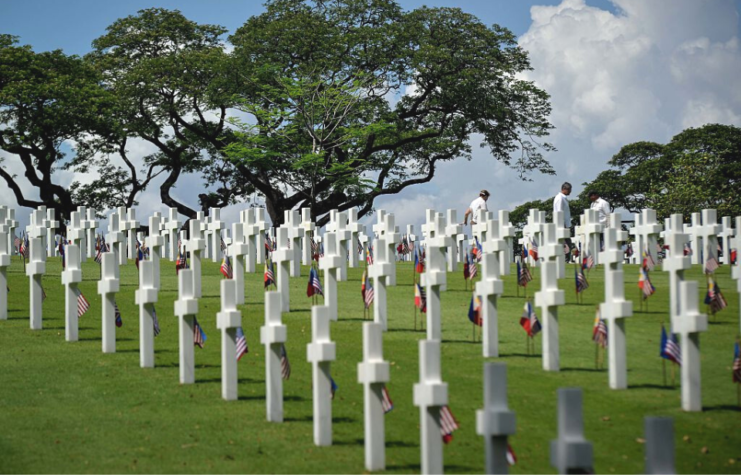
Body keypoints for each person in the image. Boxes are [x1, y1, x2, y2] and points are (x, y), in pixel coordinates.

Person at [553, 182, 572, 261]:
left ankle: (566, 258)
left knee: (567, 242)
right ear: (565, 189)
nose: (570, 192)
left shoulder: (562, 198)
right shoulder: (560, 198)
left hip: (564, 223)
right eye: (569, 190)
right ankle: (566, 258)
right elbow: (559, 212)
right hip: (561, 224)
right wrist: (563, 224)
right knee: (566, 242)